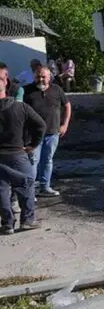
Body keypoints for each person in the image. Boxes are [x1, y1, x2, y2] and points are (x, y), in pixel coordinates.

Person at [0, 78, 46, 234]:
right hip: (18, 153)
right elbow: (41, 125)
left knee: (1, 190)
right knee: (26, 185)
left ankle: (7, 224)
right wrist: (33, 144)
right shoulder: (21, 107)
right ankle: (27, 220)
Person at [23, 67, 71, 197]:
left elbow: (67, 106)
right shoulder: (27, 91)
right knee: (33, 162)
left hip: (52, 133)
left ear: (50, 77)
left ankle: (45, 187)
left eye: (43, 77)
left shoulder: (57, 90)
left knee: (47, 160)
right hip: (33, 135)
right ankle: (30, 192)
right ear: (34, 77)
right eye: (38, 77)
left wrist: (64, 124)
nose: (41, 79)